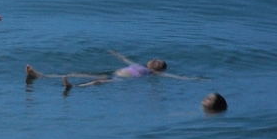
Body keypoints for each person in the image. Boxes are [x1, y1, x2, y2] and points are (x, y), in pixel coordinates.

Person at [63, 51, 196, 88]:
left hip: (122, 80)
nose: (155, 60)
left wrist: (192, 78)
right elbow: (126, 60)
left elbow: (173, 77)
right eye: (156, 59)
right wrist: (117, 54)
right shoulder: (139, 65)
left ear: (159, 69)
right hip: (114, 74)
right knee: (80, 73)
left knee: (97, 82)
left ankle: (73, 86)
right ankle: (48, 76)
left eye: (158, 63)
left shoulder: (153, 72)